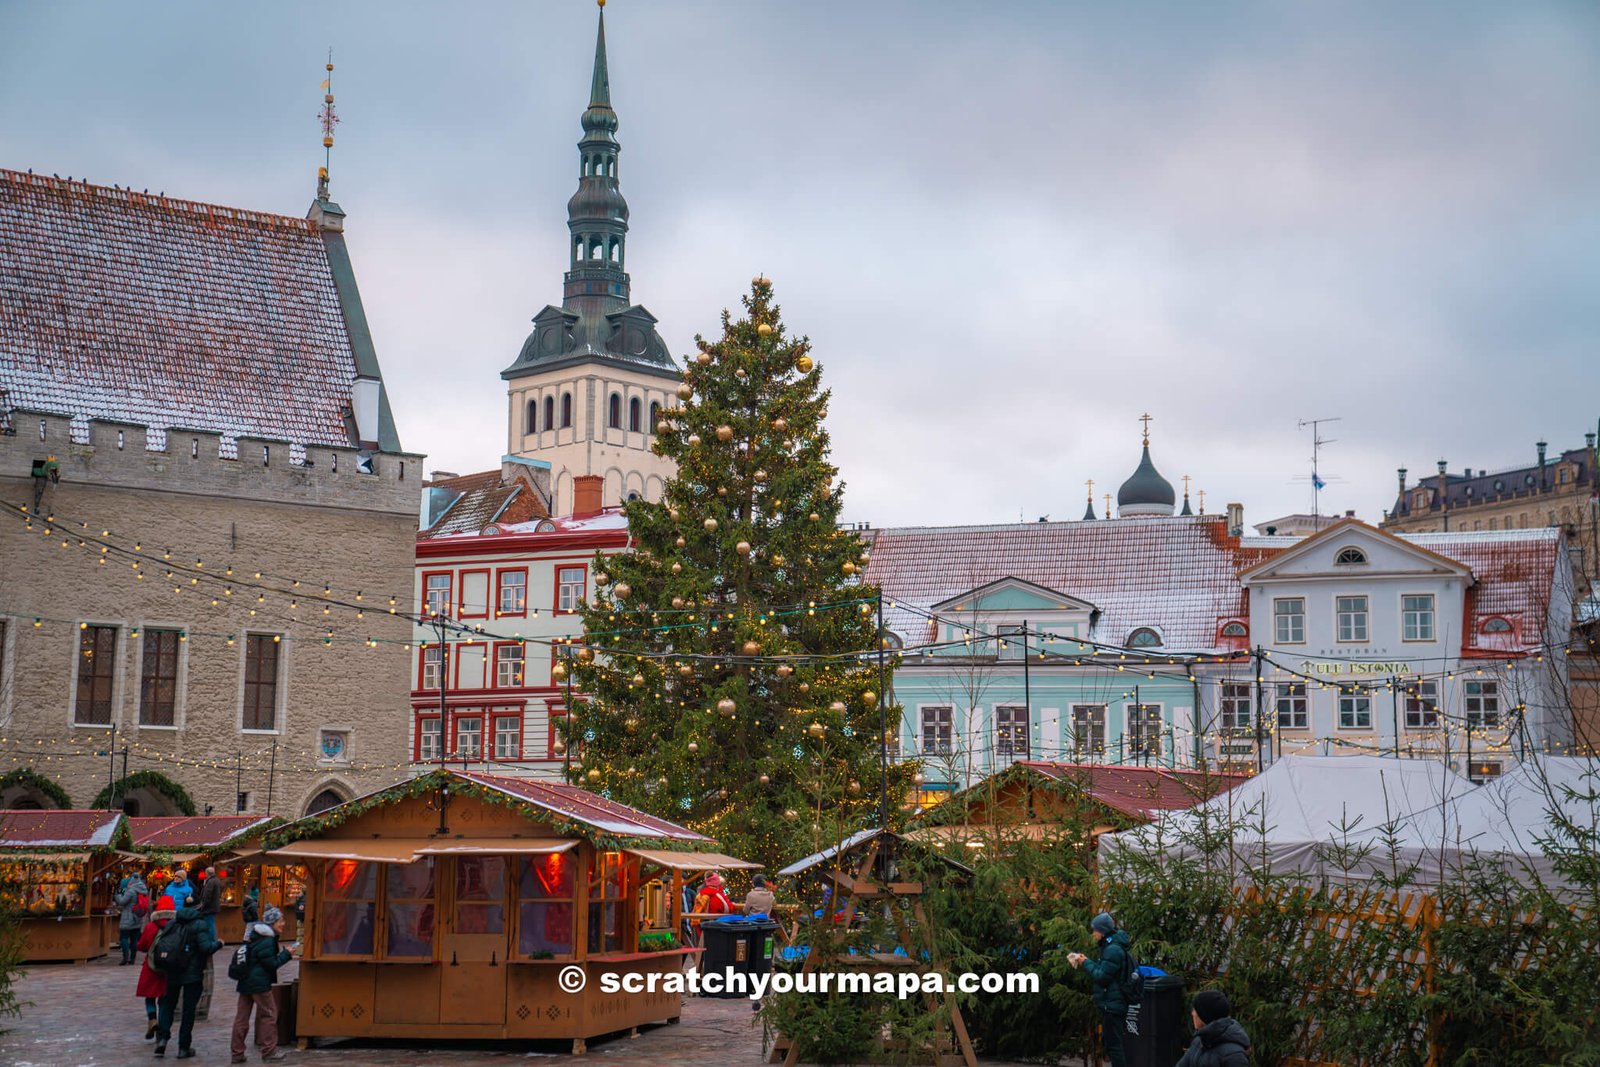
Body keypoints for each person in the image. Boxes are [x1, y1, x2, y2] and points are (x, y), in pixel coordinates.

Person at [153, 898, 222, 1058]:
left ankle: (162, 1039)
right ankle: (183, 1047)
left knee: (168, 1006)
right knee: (188, 1011)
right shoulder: (199, 925)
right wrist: (218, 944)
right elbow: (206, 948)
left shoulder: (172, 923)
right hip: (192, 974)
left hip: (173, 970)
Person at [229, 906, 296, 1064]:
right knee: (269, 1014)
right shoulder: (267, 940)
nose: (283, 924)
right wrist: (287, 954)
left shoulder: (255, 936)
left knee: (242, 1018)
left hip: (245, 981)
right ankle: (269, 1051)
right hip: (259, 983)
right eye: (280, 921)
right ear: (272, 923)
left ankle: (237, 1052)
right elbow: (271, 964)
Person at [1067, 912, 1132, 1067]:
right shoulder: (1110, 947)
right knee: (1113, 1043)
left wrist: (1085, 964)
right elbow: (1105, 971)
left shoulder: (1112, 950)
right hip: (1113, 1003)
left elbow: (1101, 977)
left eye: (1095, 930)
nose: (1093, 933)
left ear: (1102, 931)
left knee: (1114, 1046)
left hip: (1113, 1005)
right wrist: (1087, 960)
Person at [1176, 989, 1251, 1067]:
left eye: (1195, 1010)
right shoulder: (1199, 1041)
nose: (1192, 1013)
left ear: (1204, 1016)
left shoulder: (1233, 1055)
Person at [136, 895, 176, 1040]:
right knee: (165, 1000)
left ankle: (152, 1019)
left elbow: (141, 946)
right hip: (169, 968)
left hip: (152, 966)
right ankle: (163, 1031)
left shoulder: (151, 926)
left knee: (150, 996)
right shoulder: (176, 926)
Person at [115, 872, 149, 965]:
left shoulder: (131, 891)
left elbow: (122, 902)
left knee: (124, 937)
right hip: (138, 916)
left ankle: (125, 958)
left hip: (128, 916)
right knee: (134, 939)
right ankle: (132, 958)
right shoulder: (144, 890)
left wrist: (118, 894)